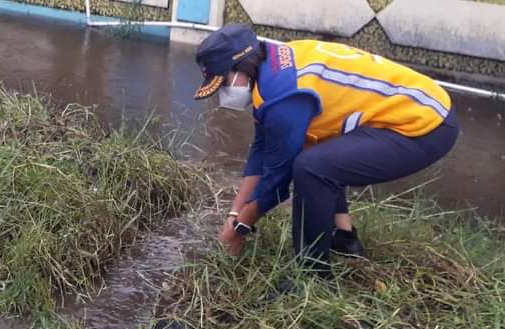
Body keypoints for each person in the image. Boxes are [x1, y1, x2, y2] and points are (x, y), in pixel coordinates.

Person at [193, 24, 458, 273]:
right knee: (321, 147)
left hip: (424, 125)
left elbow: (277, 178)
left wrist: (239, 228)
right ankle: (344, 238)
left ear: (241, 66)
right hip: (421, 106)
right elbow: (262, 151)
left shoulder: (283, 97)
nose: (223, 94)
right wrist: (234, 212)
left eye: (224, 83)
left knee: (311, 168)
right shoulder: (272, 68)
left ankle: (311, 273)